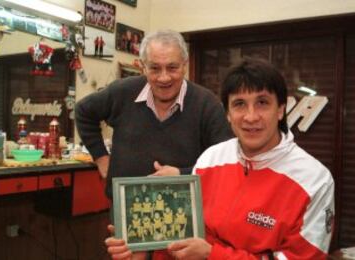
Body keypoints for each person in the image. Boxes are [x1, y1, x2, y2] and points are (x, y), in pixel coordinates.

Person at [105, 58, 335, 259]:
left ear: (281, 109)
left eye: (262, 102)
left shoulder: (315, 180)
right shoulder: (210, 159)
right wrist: (140, 250)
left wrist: (212, 255)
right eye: (239, 104)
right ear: (227, 113)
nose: (251, 117)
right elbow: (179, 241)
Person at [75, 30, 232, 197]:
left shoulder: (207, 104)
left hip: (182, 208)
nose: (164, 78)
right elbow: (83, 111)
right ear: (143, 67)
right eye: (155, 68)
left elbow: (224, 162)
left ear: (184, 65)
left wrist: (183, 174)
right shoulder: (123, 92)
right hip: (125, 205)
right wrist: (101, 158)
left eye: (172, 68)